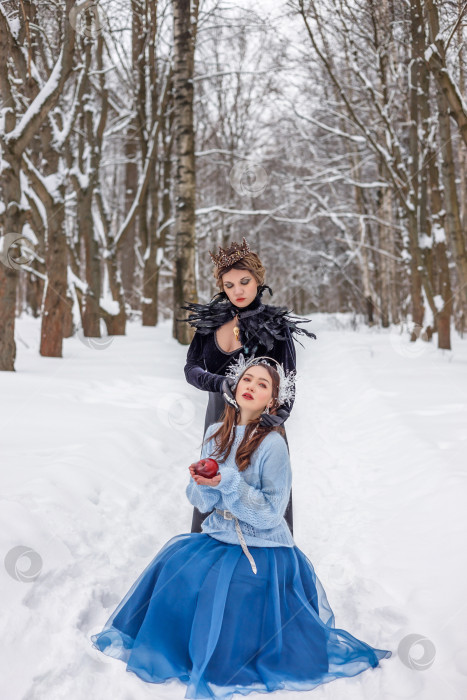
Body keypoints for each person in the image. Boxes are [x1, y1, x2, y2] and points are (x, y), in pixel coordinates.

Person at [90, 355, 392, 699]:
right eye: (248, 379)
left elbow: (270, 514)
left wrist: (227, 481)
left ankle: (227, 658)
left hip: (262, 547)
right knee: (175, 567)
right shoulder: (215, 433)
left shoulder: (273, 445)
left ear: (272, 400)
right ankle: (175, 646)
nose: (252, 387)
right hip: (220, 536)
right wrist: (203, 483)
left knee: (232, 589)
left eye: (263, 385)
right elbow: (201, 503)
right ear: (235, 386)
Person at [177, 236, 317, 536]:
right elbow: (191, 368)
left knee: (259, 499)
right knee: (213, 489)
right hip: (218, 418)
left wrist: (273, 421)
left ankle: (263, 570)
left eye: (244, 281)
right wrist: (220, 383)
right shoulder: (211, 322)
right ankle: (211, 565)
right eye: (229, 285)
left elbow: (288, 382)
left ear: (257, 280)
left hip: (261, 421)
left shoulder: (276, 326)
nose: (237, 291)